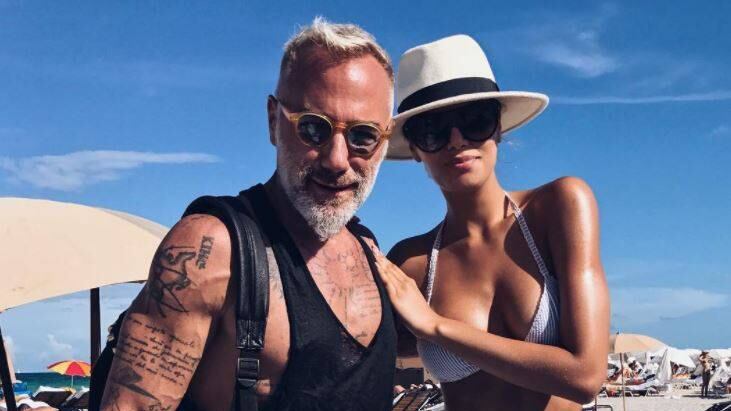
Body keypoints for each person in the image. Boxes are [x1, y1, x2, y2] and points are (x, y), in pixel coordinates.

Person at [99, 18, 397, 411]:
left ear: (385, 139)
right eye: (313, 128)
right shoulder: (212, 248)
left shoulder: (369, 247)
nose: (337, 159)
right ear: (274, 120)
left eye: (362, 136)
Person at [375, 35, 610, 410]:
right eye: (433, 130)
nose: (456, 141)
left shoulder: (557, 207)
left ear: (499, 127)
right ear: (415, 148)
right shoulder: (410, 262)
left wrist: (437, 326)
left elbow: (584, 377)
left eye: (474, 120)